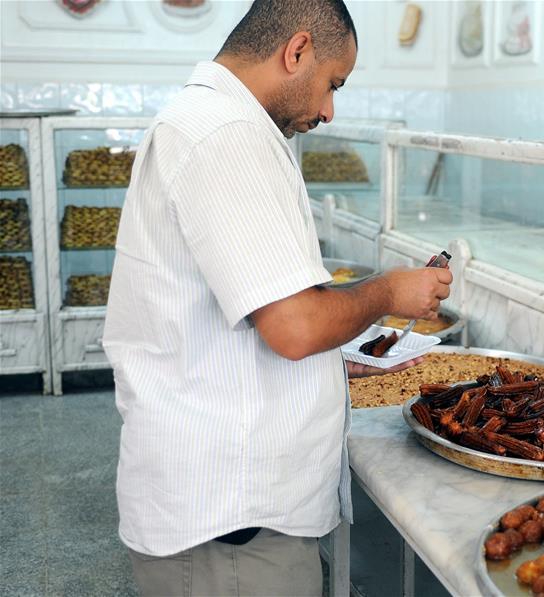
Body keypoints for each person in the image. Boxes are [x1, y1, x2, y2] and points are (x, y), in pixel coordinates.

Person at [102, 1, 452, 595]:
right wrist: (391, 290)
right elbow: (295, 326)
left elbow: (262, 304)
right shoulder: (226, 134)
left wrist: (339, 345)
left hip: (229, 510)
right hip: (231, 526)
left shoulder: (218, 122)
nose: (329, 110)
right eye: (332, 84)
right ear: (296, 51)